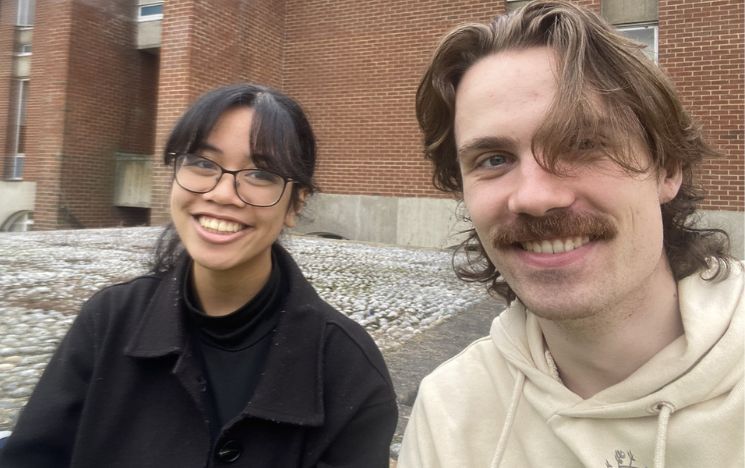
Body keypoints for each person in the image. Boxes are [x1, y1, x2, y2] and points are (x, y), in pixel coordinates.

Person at [398, 1, 742, 467]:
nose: (535, 197)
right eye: (494, 159)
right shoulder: (449, 412)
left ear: (667, 167)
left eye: (581, 144)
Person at [0, 83, 397, 467]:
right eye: (203, 163)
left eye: (261, 174)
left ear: (295, 204)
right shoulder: (107, 322)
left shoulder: (349, 372)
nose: (222, 193)